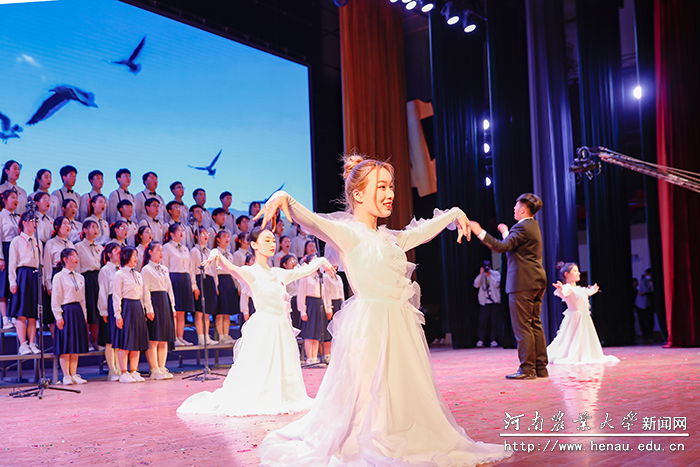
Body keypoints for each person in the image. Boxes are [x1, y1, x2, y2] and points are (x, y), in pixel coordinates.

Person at [258, 154, 510, 466]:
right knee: (369, 394)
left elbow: (422, 232)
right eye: (381, 187)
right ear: (358, 194)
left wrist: (455, 213)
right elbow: (312, 221)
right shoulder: (348, 234)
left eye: (390, 186)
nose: (390, 193)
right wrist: (285, 197)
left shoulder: (390, 237)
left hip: (400, 325)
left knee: (402, 391)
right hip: (371, 326)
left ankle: (406, 434)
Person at [177, 227, 334, 417]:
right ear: (254, 245)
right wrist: (215, 252)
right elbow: (229, 267)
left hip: (281, 328)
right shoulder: (250, 272)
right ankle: (263, 396)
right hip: (264, 326)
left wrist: (321, 261)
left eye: (273, 240)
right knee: (261, 366)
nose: (272, 243)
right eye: (267, 240)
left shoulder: (279, 273)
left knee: (282, 365)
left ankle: (281, 395)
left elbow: (304, 271)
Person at [470, 193, 548, 380]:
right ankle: (540, 367)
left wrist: (480, 232)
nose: (514, 208)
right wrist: (506, 231)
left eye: (516, 206)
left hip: (522, 282)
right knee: (534, 324)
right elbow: (512, 246)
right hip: (536, 280)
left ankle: (527, 369)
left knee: (522, 327)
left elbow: (502, 247)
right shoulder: (531, 226)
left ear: (523, 209)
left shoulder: (521, 227)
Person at [547, 262, 619, 364]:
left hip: (584, 317)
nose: (578, 273)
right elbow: (563, 294)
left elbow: (586, 293)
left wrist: (594, 290)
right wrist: (560, 289)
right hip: (575, 318)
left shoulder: (578, 289)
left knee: (585, 337)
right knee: (573, 338)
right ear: (567, 274)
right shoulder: (567, 288)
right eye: (575, 271)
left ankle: (586, 353)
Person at [51, 248, 89, 385]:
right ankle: (66, 375)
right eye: (73, 256)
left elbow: (82, 299)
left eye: (77, 255)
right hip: (66, 311)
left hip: (77, 310)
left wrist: (84, 315)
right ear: (65, 259)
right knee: (66, 344)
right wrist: (58, 316)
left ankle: (74, 374)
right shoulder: (59, 277)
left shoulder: (80, 277)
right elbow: (56, 298)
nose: (76, 258)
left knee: (75, 345)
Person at [113, 246, 149, 383]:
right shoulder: (119, 274)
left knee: (136, 341)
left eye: (136, 255)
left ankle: (134, 370)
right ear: (125, 256)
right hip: (126, 307)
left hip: (137, 307)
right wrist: (118, 315)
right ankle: (123, 372)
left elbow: (143, 294)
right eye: (133, 255)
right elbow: (116, 296)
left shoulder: (138, 274)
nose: (136, 258)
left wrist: (144, 310)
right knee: (125, 340)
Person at [141, 242, 176, 380]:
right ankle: (154, 369)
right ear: (150, 252)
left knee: (164, 339)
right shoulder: (146, 269)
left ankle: (162, 367)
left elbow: (169, 288)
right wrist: (148, 308)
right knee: (154, 338)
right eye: (158, 250)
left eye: (162, 250)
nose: (161, 253)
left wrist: (172, 306)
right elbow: (145, 290)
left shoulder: (164, 269)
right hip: (154, 302)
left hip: (165, 302)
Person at [8, 212, 42, 355]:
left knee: (33, 314)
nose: (35, 223)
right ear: (24, 223)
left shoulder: (38, 241)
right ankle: (23, 344)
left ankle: (32, 342)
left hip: (34, 276)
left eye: (36, 221)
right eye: (32, 220)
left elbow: (40, 263)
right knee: (21, 312)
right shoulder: (17, 241)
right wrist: (13, 282)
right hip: (22, 275)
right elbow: (12, 263)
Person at [162, 224, 197, 347]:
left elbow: (190, 268)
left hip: (185, 279)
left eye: (182, 230)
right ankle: (174, 337)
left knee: (182, 311)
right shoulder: (167, 247)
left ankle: (181, 337)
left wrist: (193, 284)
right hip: (174, 278)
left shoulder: (185, 249)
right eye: (178, 231)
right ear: (171, 234)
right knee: (175, 310)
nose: (181, 233)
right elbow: (165, 266)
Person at [297, 254, 333, 364]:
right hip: (310, 304)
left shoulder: (320, 277)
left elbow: (325, 294)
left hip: (319, 304)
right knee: (310, 332)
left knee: (317, 332)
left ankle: (315, 357)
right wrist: (302, 310)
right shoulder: (305, 277)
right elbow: (301, 294)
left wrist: (327, 308)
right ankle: (310, 357)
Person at [75, 220, 104, 351]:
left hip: (98, 278)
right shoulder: (79, 246)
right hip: (85, 278)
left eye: (97, 227)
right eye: (92, 227)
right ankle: (86, 342)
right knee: (87, 309)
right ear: (85, 230)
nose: (95, 230)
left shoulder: (100, 247)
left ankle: (96, 341)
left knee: (97, 310)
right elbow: (77, 267)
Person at [98, 243, 122, 381]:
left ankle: (119, 368)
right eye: (115, 250)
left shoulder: (122, 269)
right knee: (110, 339)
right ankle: (112, 370)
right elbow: (103, 291)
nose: (119, 252)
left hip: (120, 303)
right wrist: (104, 311)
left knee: (118, 339)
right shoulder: (105, 270)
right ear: (108, 254)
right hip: (110, 304)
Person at [190, 227, 217, 346]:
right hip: (199, 279)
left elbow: (214, 270)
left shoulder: (210, 251)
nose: (206, 236)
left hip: (209, 280)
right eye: (203, 234)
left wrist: (216, 285)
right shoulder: (194, 251)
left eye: (207, 233)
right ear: (196, 236)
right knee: (199, 311)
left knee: (207, 312)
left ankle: (207, 336)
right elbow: (191, 268)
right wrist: (194, 286)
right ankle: (201, 337)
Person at [0, 189, 21, 329]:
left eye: (16, 197)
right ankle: (4, 318)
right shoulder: (1, 216)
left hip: (17, 251)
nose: (15, 200)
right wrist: (0, 257)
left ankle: (13, 315)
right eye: (12, 197)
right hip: (5, 249)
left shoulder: (18, 217)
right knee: (3, 285)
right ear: (4, 200)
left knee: (15, 283)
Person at [213, 231, 236, 344]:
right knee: (220, 310)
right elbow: (214, 270)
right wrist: (216, 285)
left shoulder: (230, 254)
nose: (227, 239)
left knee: (227, 311)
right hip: (220, 280)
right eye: (224, 237)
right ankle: (221, 336)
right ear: (218, 239)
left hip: (229, 281)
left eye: (228, 237)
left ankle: (226, 335)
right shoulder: (215, 253)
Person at [473, 259, 501, 348]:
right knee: (482, 321)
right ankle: (480, 340)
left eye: (488, 267)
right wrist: (481, 275)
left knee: (494, 321)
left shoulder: (495, 274)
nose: (486, 269)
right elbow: (475, 285)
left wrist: (489, 276)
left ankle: (493, 340)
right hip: (484, 302)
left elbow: (497, 284)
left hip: (494, 301)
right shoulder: (481, 275)